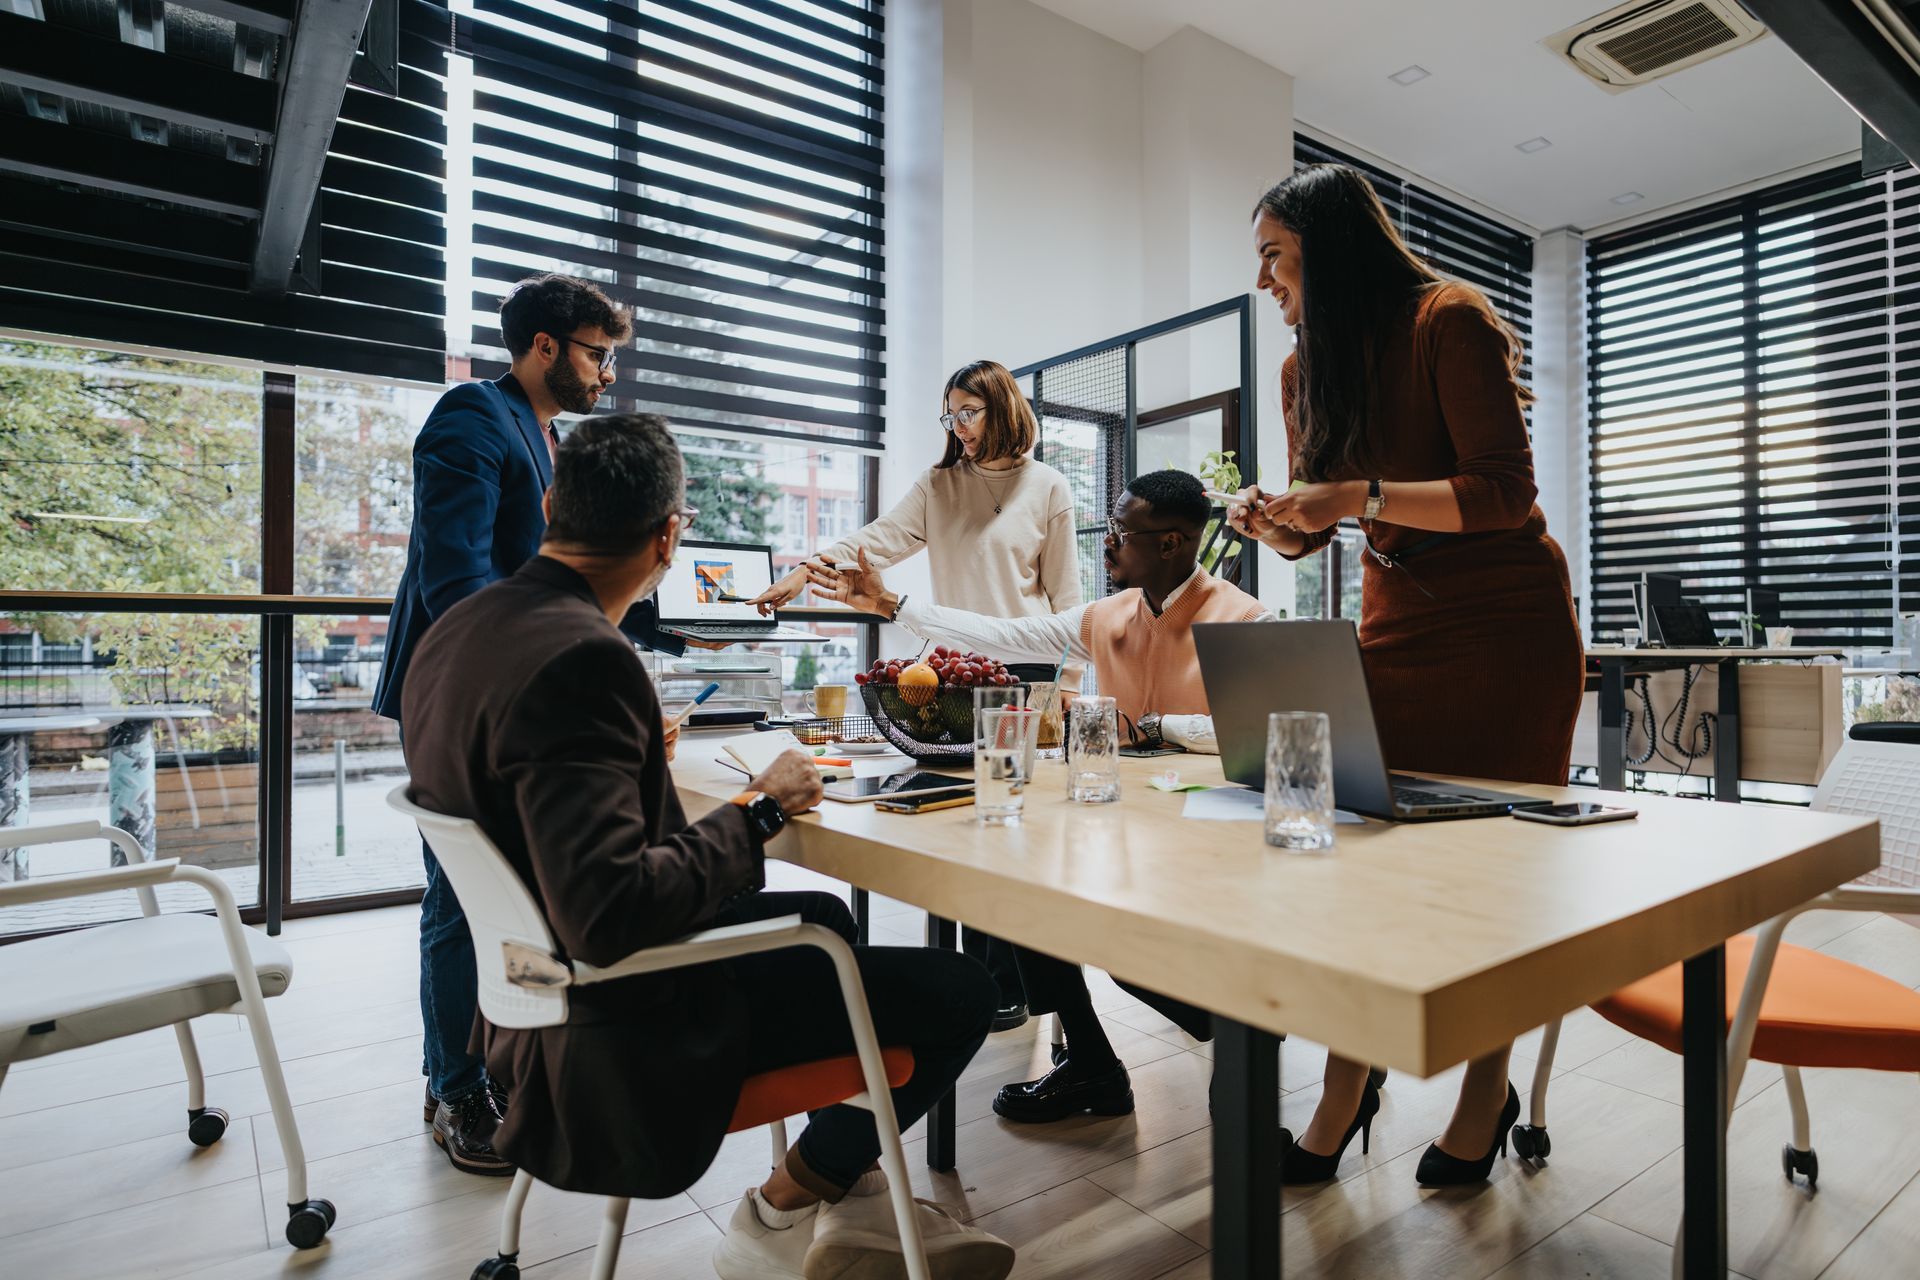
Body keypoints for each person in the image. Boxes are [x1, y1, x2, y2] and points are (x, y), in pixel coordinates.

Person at [402, 414, 1015, 1280]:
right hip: (622, 1037)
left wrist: (628, 764)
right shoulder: (587, 657)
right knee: (960, 989)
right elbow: (609, 912)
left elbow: (538, 812)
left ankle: (857, 1192)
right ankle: (788, 1202)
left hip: (526, 1012)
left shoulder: (459, 631)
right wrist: (760, 810)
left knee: (823, 912)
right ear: (668, 537)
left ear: (548, 505)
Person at [1227, 164, 1584, 1186]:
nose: (1264, 281)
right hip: (1395, 625)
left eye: (1274, 256)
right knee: (1361, 860)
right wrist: (1281, 522)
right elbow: (1324, 521)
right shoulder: (1305, 372)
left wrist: (1352, 492)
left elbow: (1503, 492)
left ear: (1327, 250)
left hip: (1505, 629)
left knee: (1492, 878)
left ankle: (1484, 1093)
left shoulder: (1448, 318)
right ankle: (1347, 1086)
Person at [817, 468, 1273, 1122]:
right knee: (1024, 888)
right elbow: (999, 635)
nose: (1107, 545)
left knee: (1129, 963)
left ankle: (1257, 1022)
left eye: (1121, 532)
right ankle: (1092, 1065)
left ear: (1172, 544)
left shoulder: (1243, 618)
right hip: (1126, 831)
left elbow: (1259, 734)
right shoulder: (1105, 615)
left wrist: (1158, 727)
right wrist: (892, 605)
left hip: (1208, 846)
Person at [372, 274, 691, 1175]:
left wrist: (664, 623)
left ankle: (512, 1056)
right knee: (463, 892)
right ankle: (455, 1086)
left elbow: (562, 577)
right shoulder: (473, 415)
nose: (608, 374)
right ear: (544, 345)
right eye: (599, 354)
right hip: (466, 689)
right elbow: (458, 580)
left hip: (518, 686)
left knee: (523, 884)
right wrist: (552, 675)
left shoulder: (550, 441)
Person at [756, 359, 1083, 1033]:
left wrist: (1069, 692)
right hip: (954, 674)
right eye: (950, 416)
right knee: (967, 827)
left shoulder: (1048, 487)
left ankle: (1024, 987)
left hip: (1026, 679)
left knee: (1021, 839)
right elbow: (873, 540)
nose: (959, 427)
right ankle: (991, 983)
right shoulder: (939, 486)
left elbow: (1067, 600)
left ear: (1002, 408)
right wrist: (804, 570)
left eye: (970, 412)